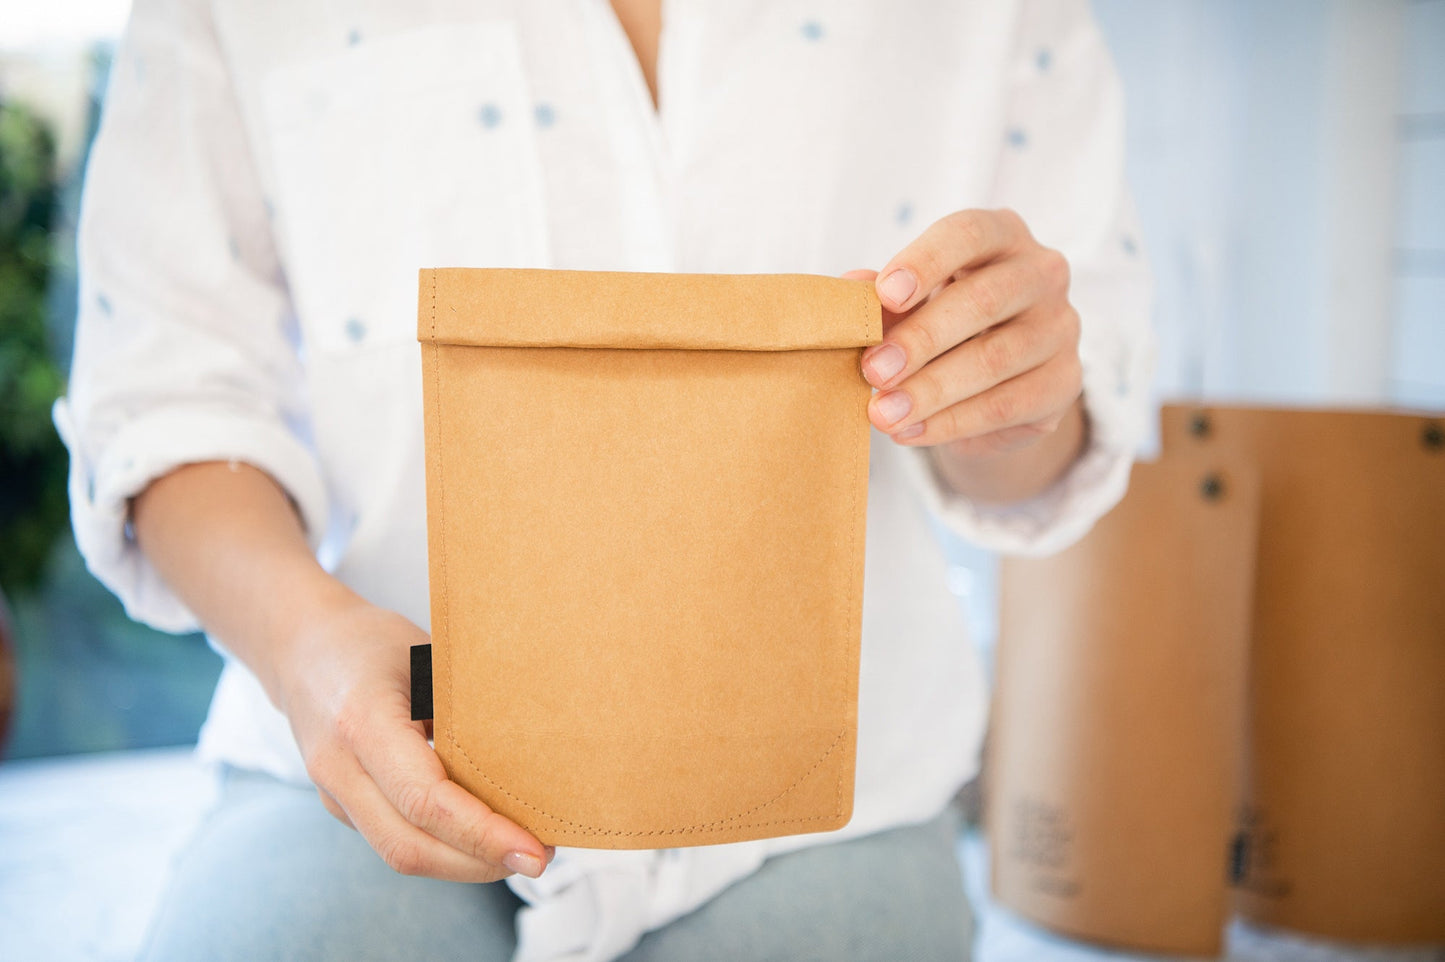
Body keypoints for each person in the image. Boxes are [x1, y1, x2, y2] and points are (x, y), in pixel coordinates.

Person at [56, 0, 1153, 959]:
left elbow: (1051, 443)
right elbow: (164, 390)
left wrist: (1003, 396)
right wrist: (307, 648)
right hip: (356, 759)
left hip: (838, 796)